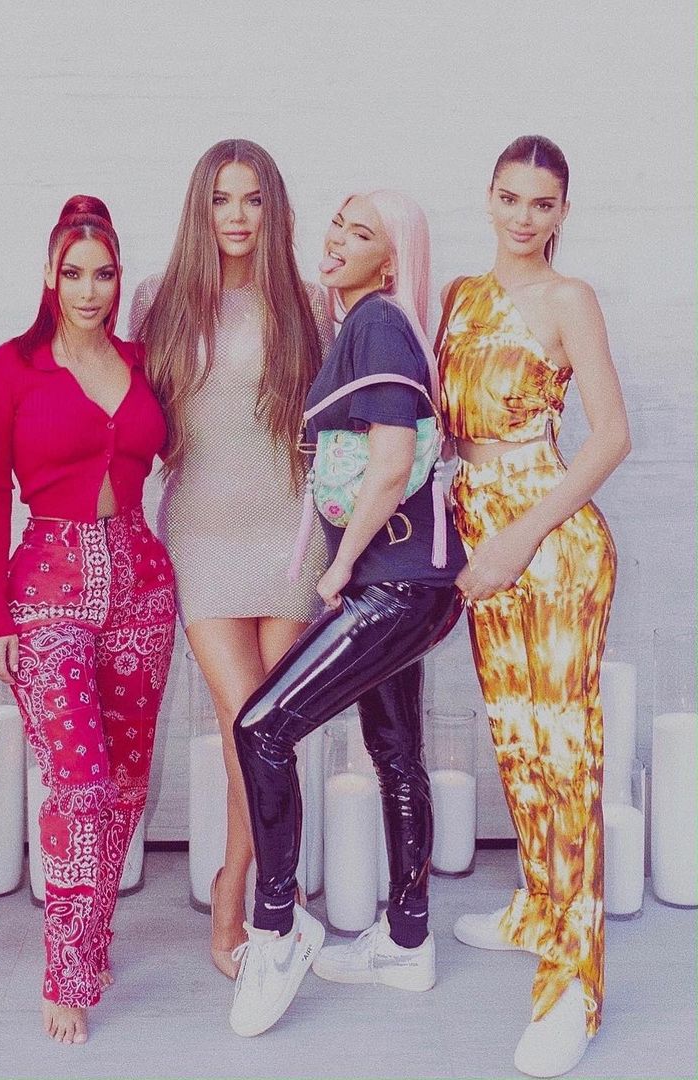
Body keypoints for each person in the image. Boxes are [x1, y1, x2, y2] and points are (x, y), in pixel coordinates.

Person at [226, 191, 465, 1038]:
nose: (336, 239)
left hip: (393, 583)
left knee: (261, 727)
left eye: (361, 233)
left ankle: (277, 928)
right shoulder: (362, 325)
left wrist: (341, 565)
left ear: (390, 262)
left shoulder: (379, 325)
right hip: (413, 583)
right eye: (338, 222)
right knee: (395, 753)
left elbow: (393, 462)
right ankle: (407, 943)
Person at [438, 136, 629, 1078]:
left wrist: (518, 537)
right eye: (510, 197)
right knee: (515, 739)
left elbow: (612, 435)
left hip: (548, 544)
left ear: (562, 212)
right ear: (489, 197)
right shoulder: (459, 296)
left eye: (542, 203)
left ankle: (574, 986)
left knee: (565, 757)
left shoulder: (568, 300)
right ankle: (536, 910)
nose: (524, 216)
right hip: (481, 539)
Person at [129, 139, 333, 977]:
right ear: (200, 208)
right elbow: (130, 420)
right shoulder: (158, 300)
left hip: (289, 533)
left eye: (252, 198)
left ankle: (249, 884)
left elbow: (336, 425)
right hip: (202, 534)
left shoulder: (310, 303)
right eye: (221, 199)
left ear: (272, 208)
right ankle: (232, 893)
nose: (237, 215)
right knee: (245, 718)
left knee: (268, 730)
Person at [0, 195, 176, 1046]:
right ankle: (66, 974)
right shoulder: (9, 368)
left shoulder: (145, 361)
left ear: (119, 278)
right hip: (46, 587)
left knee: (125, 786)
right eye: (73, 273)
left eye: (103, 274)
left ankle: (94, 940)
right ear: (49, 277)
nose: (89, 291)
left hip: (142, 583)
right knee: (79, 786)